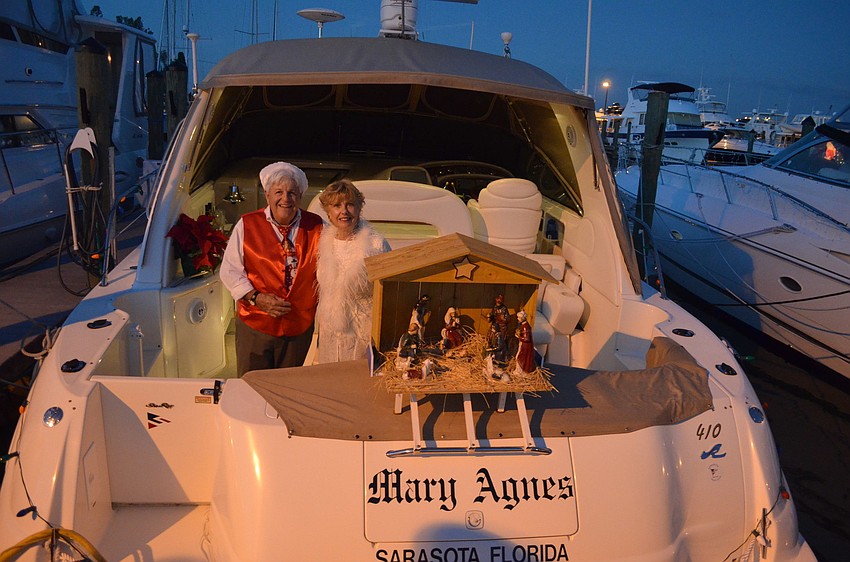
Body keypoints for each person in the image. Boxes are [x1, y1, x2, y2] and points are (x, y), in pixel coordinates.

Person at [220, 162, 322, 375]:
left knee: (289, 388)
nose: (285, 199)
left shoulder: (317, 226)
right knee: (252, 386)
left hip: (299, 327)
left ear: (300, 196)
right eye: (279, 192)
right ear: (267, 195)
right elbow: (230, 270)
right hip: (256, 325)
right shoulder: (247, 224)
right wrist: (256, 297)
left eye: (292, 193)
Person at [315, 179, 390, 363]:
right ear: (328, 212)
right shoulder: (323, 243)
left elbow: (389, 289)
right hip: (330, 332)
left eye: (350, 204)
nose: (344, 211)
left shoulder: (376, 244)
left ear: (359, 207)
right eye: (337, 205)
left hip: (362, 331)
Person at [514, 310, 535, 374]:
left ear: (522, 318)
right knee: (519, 357)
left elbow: (526, 338)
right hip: (523, 344)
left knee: (520, 357)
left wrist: (518, 337)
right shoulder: (523, 325)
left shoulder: (525, 327)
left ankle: (521, 371)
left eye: (519, 318)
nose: (518, 319)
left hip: (525, 346)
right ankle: (519, 370)